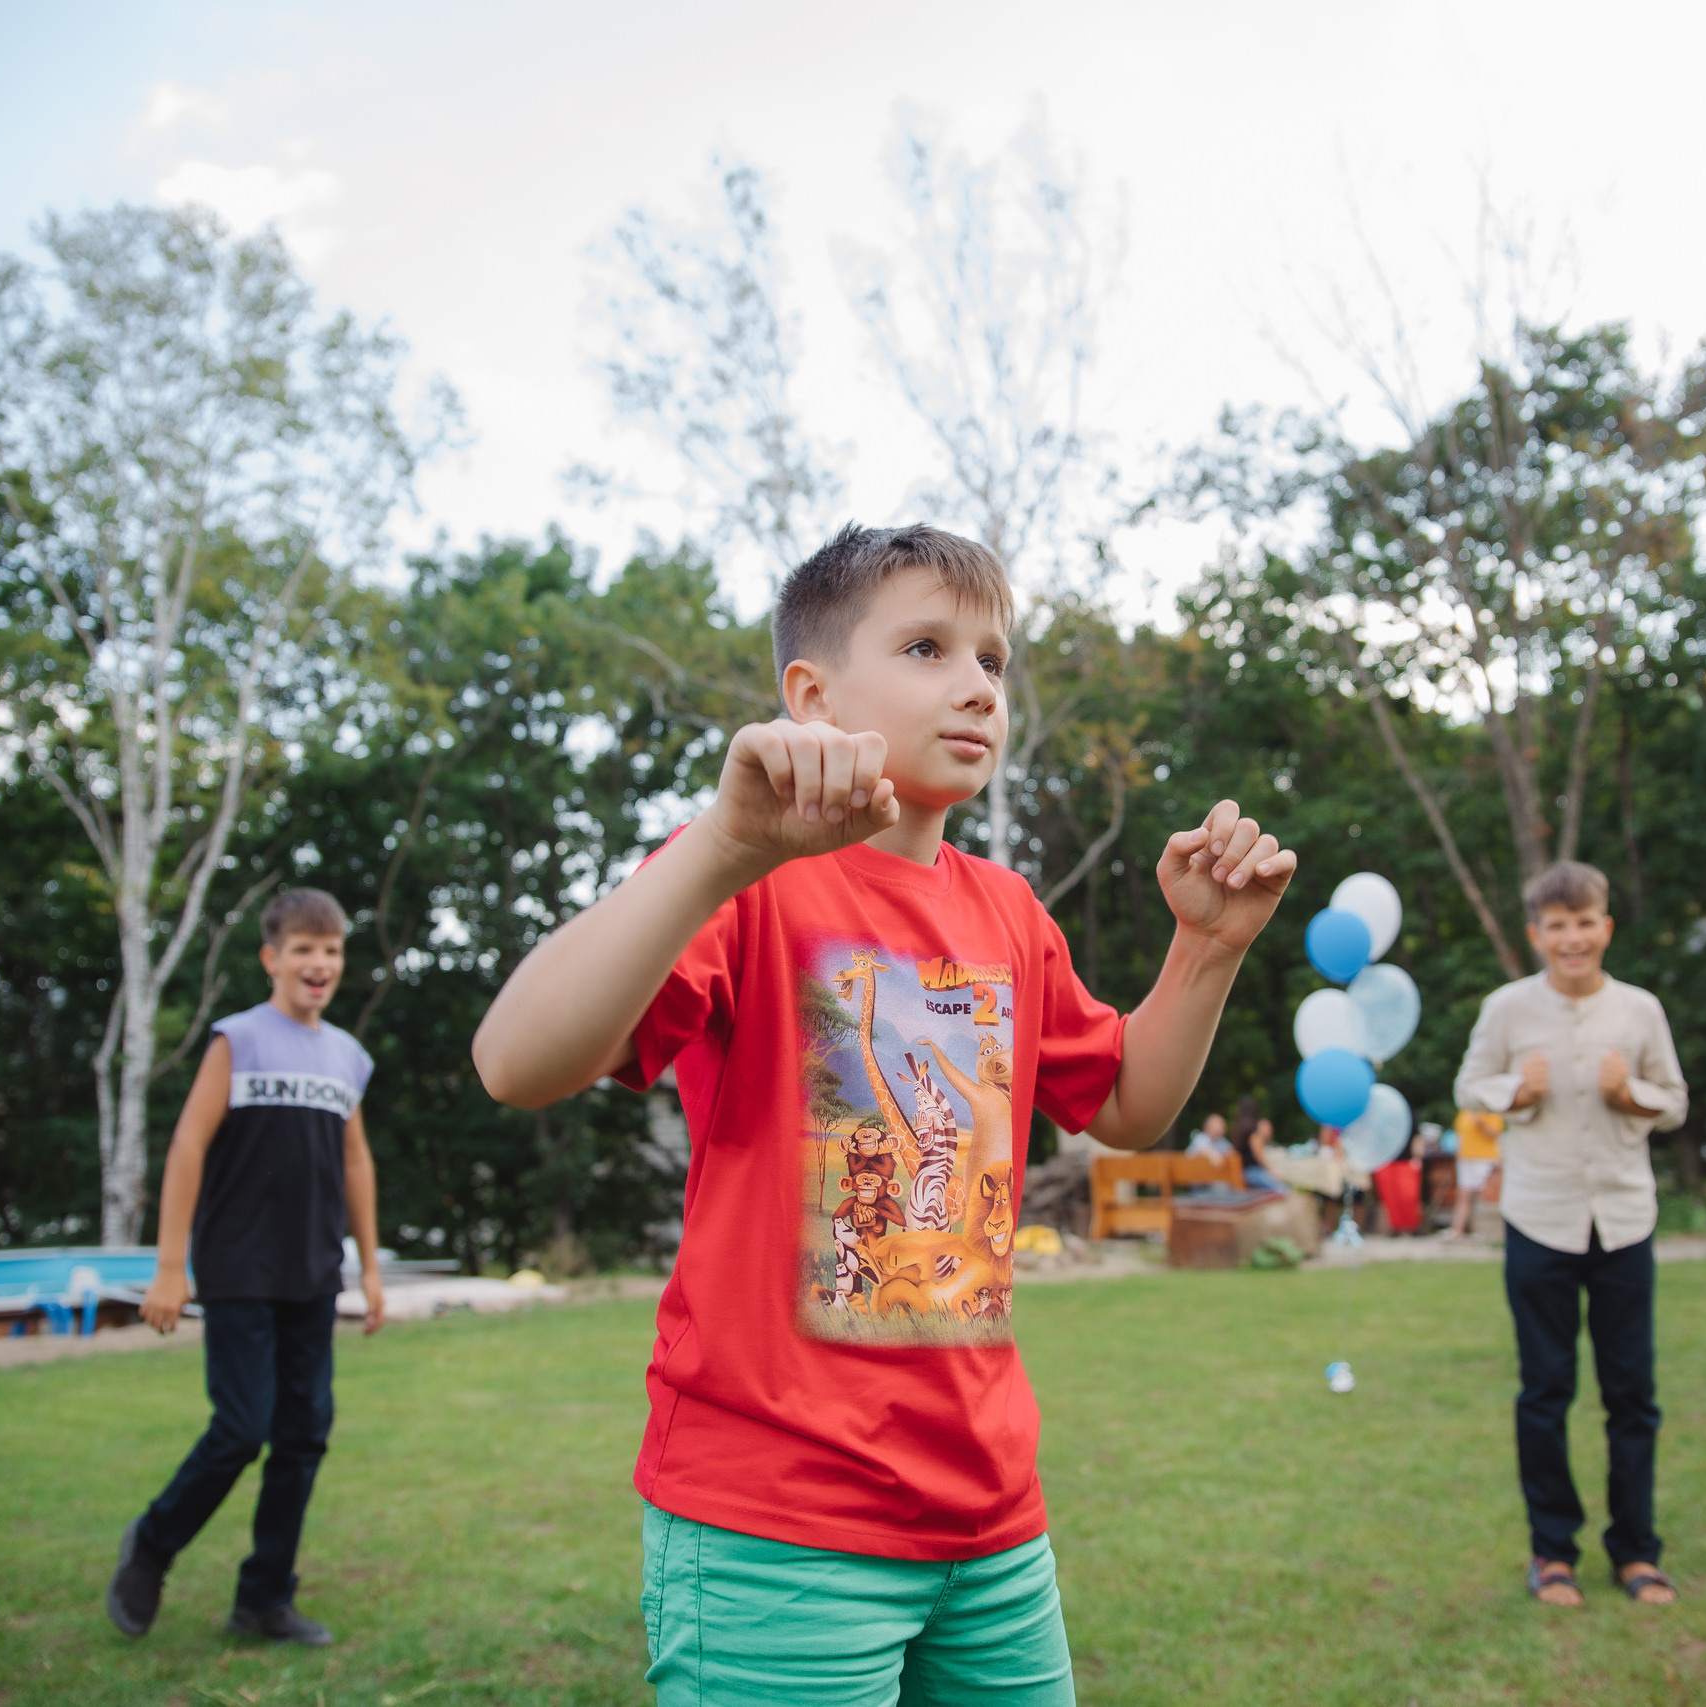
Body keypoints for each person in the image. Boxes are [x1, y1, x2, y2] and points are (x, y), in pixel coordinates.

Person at [469, 523, 1297, 1704]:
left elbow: (1123, 1104)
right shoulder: (745, 880)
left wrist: (1207, 952)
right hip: (777, 1526)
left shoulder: (1009, 911)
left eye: (994, 660)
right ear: (810, 694)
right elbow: (513, 1061)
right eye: (926, 646)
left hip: (991, 1521)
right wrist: (718, 848)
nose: (976, 685)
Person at [105, 888, 386, 1648]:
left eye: (330, 950)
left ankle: (264, 1597)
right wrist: (171, 1266)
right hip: (236, 1269)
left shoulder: (346, 1057)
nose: (318, 963)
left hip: (312, 1273)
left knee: (303, 1434)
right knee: (240, 1428)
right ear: (271, 957)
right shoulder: (238, 1039)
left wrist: (369, 1269)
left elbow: (355, 1160)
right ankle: (153, 1544)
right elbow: (188, 1145)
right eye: (303, 948)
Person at [1454, 860, 1687, 1608]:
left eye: (1585, 921)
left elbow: (1675, 1101)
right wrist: (1512, 1092)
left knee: (1633, 1395)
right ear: (1537, 934)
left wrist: (1631, 1093)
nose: (1573, 937)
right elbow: (1469, 1086)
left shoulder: (1641, 1010)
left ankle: (1636, 1553)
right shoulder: (1507, 1009)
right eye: (1558, 925)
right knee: (1545, 1391)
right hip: (1538, 1220)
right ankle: (1552, 1552)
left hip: (1624, 1221)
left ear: (1606, 926)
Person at [1443, 1108, 1503, 1239]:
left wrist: (1480, 1122)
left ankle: (1482, 1230)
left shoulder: (1490, 1110)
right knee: (1464, 1195)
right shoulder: (1465, 1110)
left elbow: (1495, 1133)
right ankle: (1457, 1230)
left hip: (1485, 1157)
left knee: (1484, 1196)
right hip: (1466, 1157)